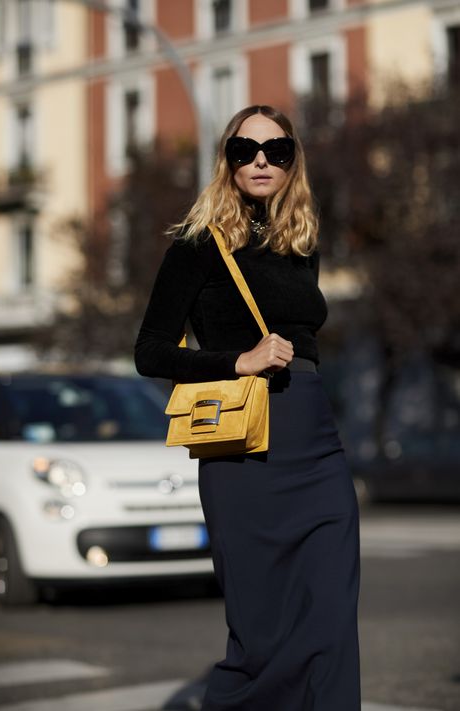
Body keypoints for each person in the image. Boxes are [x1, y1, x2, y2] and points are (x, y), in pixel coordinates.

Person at [134, 105, 361, 711]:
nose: (261, 161)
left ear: (293, 162)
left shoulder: (300, 241)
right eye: (245, 150)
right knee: (261, 636)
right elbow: (149, 352)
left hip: (315, 445)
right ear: (227, 160)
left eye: (277, 151)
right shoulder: (199, 242)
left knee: (332, 623)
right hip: (243, 453)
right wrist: (238, 361)